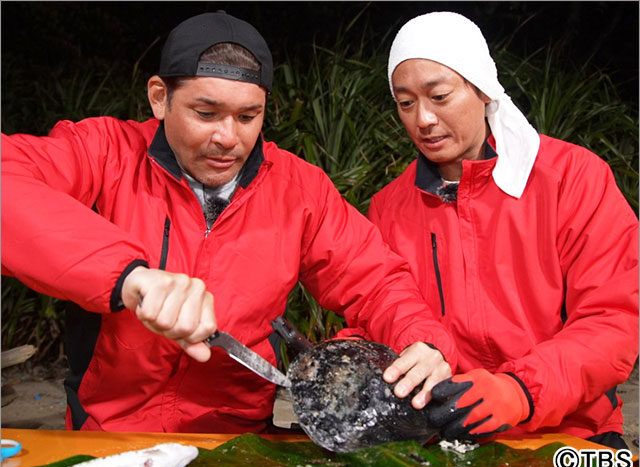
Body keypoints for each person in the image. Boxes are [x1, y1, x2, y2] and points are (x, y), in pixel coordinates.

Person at [1, 11, 454, 433]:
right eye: (206, 113)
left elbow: (374, 280)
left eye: (247, 116)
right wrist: (129, 276)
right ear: (160, 97)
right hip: (109, 432)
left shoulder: (299, 187)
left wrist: (423, 342)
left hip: (239, 438)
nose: (228, 138)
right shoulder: (104, 153)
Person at [373, 11, 639, 449]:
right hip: (446, 433)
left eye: (439, 96)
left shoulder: (573, 179)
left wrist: (519, 391)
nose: (423, 119)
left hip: (572, 434)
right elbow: (379, 314)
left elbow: (613, 323)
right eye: (405, 103)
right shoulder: (389, 207)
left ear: (482, 88)